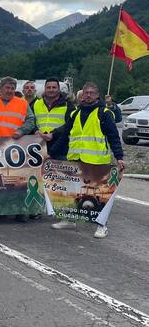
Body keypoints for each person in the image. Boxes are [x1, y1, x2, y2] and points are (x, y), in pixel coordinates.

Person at [51, 81, 124, 239]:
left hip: (97, 161)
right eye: (86, 92)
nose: (88, 95)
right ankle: (70, 219)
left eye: (92, 92)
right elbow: (65, 137)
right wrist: (52, 153)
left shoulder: (104, 113)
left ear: (97, 95)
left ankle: (101, 225)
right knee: (72, 192)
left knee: (99, 195)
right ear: (81, 94)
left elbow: (113, 137)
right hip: (76, 160)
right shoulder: (75, 114)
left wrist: (119, 157)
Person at [33, 78, 74, 152]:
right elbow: (31, 120)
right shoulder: (36, 103)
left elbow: (70, 124)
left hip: (60, 145)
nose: (51, 90)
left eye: (54, 87)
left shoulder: (68, 105)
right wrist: (36, 131)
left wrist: (54, 134)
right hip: (39, 144)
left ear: (59, 89)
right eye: (48, 87)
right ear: (45, 89)